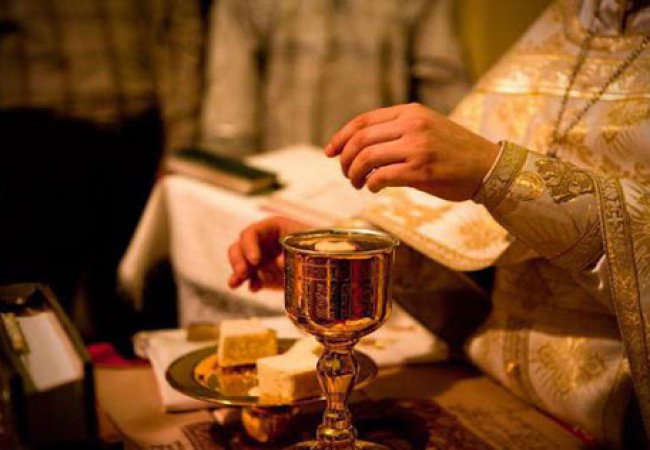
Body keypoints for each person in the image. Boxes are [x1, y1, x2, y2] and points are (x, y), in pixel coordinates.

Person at [226, 0, 650, 447]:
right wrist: (343, 260)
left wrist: (498, 172)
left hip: (612, 420)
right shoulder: (568, 21)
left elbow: (490, 176)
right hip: (484, 380)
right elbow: (473, 230)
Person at [0, 0, 203, 340]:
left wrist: (179, 144)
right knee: (31, 309)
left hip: (137, 126)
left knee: (137, 304)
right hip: (32, 128)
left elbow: (181, 25)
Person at [200, 0, 469, 157]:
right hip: (276, 169)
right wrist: (231, 169)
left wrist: (459, 160)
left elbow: (443, 84)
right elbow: (232, 89)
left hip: (377, 174)